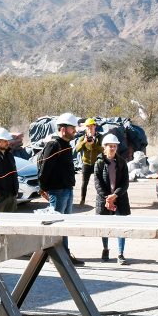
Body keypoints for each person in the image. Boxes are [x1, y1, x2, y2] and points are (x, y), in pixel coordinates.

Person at [38, 112, 84, 266]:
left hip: (67, 189)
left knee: (64, 226)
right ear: (63, 129)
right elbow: (45, 168)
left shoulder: (67, 145)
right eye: (72, 129)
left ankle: (64, 254)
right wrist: (42, 187)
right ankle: (55, 256)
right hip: (57, 191)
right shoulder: (53, 145)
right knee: (56, 225)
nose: (75, 131)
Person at [94, 134, 131, 265]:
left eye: (115, 146)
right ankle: (105, 249)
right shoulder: (98, 163)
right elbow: (97, 183)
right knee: (104, 227)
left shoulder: (122, 163)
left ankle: (120, 253)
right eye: (110, 146)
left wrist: (115, 195)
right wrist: (107, 198)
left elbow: (125, 183)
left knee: (121, 227)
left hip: (119, 199)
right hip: (104, 200)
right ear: (104, 147)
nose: (113, 148)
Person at [76, 117, 103, 205]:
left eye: (91, 126)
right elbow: (77, 149)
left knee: (99, 183)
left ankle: (101, 199)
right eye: (88, 127)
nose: (90, 128)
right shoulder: (83, 138)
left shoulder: (100, 137)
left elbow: (103, 149)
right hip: (86, 163)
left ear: (95, 126)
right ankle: (82, 200)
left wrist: (93, 144)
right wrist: (84, 142)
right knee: (84, 183)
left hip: (96, 163)